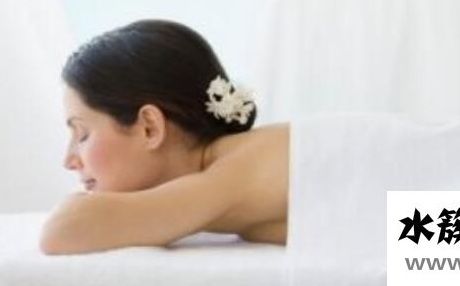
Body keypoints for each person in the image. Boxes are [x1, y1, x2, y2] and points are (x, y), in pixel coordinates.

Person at [39, 19, 289, 255]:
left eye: (83, 135)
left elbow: (64, 229)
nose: (69, 161)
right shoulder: (232, 179)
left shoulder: (234, 174)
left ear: (149, 127)